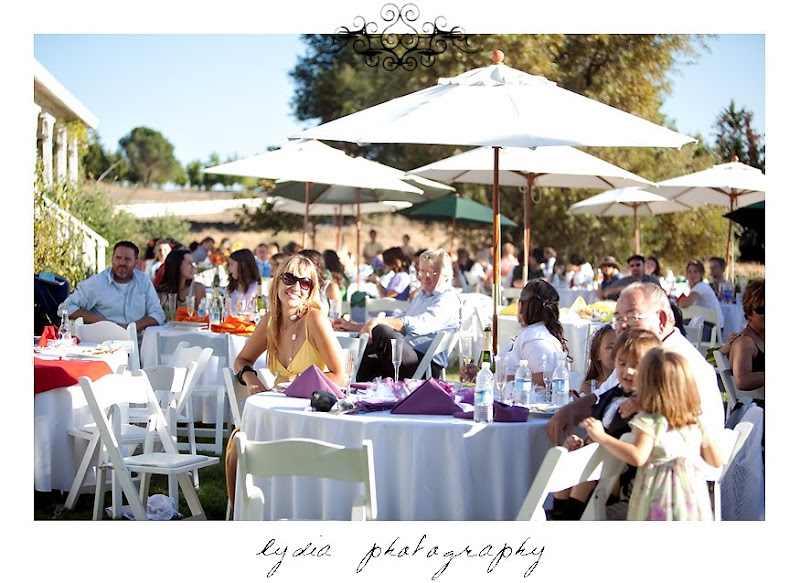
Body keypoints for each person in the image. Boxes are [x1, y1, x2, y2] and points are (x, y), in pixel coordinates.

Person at [227, 254, 346, 506]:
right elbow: (242, 360)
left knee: (246, 443)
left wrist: (299, 381)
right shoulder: (270, 321)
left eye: (305, 283)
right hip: (276, 408)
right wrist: (251, 379)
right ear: (277, 282)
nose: (295, 287)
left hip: (309, 414)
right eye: (289, 278)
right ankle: (246, 512)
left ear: (311, 289)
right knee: (239, 444)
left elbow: (340, 376)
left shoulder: (315, 320)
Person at [547, 282, 724, 450]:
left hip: (675, 472)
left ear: (661, 320)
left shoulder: (675, 363)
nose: (622, 326)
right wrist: (569, 410)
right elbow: (602, 398)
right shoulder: (637, 354)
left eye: (632, 317)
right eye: (617, 319)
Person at [581, 347, 723, 520]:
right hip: (691, 499)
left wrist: (601, 437)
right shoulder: (694, 421)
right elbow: (715, 461)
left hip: (658, 497)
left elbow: (638, 456)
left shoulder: (651, 421)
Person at [552, 328, 661, 520]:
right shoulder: (612, 394)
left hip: (625, 476)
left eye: (636, 366)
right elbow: (602, 426)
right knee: (566, 473)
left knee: (584, 477)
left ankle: (568, 518)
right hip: (602, 463)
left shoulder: (650, 404)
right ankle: (561, 515)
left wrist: (641, 402)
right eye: (621, 363)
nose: (627, 370)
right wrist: (584, 442)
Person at [333, 248, 461, 381]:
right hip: (407, 356)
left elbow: (419, 324)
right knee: (358, 365)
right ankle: (339, 373)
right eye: (422, 271)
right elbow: (399, 320)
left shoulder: (447, 299)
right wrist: (352, 326)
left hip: (424, 366)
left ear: (446, 275)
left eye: (432, 272)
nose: (425, 277)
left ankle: (345, 352)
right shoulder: (423, 296)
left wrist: (378, 321)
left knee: (380, 330)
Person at [461, 279, 570, 388]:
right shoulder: (536, 333)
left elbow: (545, 379)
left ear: (521, 305)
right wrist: (481, 375)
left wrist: (497, 379)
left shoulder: (534, 338)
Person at [58, 240, 164, 333]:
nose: (122, 263)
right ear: (112, 259)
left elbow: (157, 314)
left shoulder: (143, 281)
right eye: (118, 258)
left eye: (127, 259)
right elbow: (65, 308)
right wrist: (104, 323)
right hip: (103, 344)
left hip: (138, 342)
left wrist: (130, 328)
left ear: (136, 263)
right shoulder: (97, 283)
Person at [727, 278, 764, 395]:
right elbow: (742, 381)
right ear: (749, 313)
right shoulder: (745, 342)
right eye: (761, 310)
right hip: (756, 408)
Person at [677, 259, 724, 338]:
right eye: (689, 272)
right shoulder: (692, 288)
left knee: (679, 330)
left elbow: (684, 303)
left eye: (695, 272)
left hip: (713, 329)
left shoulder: (701, 286)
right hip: (704, 326)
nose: (692, 275)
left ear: (701, 274)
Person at [579, 324, 617, 396]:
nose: (617, 351)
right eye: (610, 347)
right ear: (597, 354)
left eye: (620, 345)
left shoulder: (627, 384)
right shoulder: (589, 387)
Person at [226, 248, 261, 312]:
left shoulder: (256, 288)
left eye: (232, 264)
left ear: (242, 265)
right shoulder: (232, 288)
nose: (229, 268)